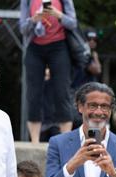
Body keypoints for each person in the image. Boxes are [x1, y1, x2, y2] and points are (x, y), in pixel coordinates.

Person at [19, 0, 76, 144]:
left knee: (62, 92)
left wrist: (58, 15)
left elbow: (73, 23)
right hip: (34, 47)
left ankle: (66, 140)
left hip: (59, 46)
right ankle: (35, 141)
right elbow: (22, 28)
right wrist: (34, 19)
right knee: (33, 94)